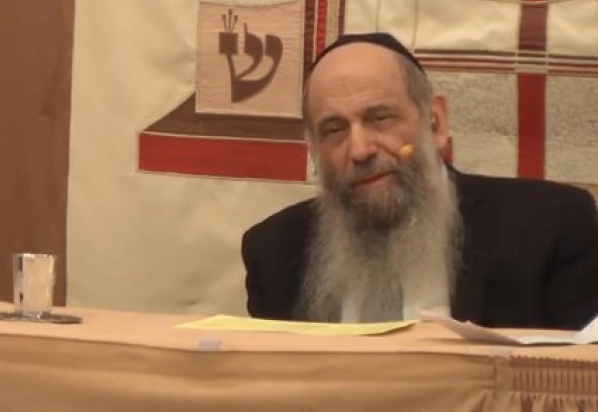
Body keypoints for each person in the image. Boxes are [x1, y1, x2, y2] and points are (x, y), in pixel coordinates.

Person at [241, 32, 598, 330]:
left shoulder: (552, 227)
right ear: (314, 149)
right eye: (334, 130)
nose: (360, 150)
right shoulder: (274, 253)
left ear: (436, 122)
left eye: (380, 118)